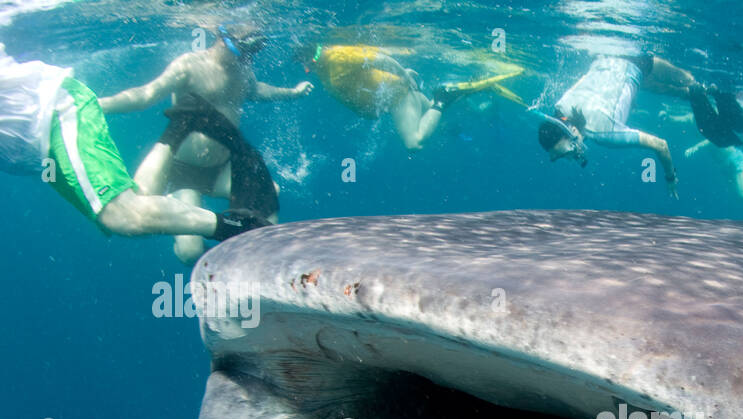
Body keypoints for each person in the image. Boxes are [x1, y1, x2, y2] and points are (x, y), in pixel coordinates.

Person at [0, 43, 264, 241]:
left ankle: (244, 227)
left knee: (126, 216)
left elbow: (144, 96)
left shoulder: (204, 67)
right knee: (140, 213)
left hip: (54, 115)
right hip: (38, 149)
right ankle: (176, 135)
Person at [98, 22, 312, 261]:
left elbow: (257, 90)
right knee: (190, 253)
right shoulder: (189, 65)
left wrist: (291, 93)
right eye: (244, 49)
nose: (247, 58)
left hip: (222, 169)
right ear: (223, 39)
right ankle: (173, 204)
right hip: (184, 174)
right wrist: (96, 106)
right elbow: (145, 95)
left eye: (254, 52)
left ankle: (254, 263)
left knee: (269, 193)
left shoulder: (243, 71)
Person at [538, 54, 705, 197]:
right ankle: (693, 93)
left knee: (689, 79)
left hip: (637, 64)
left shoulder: (604, 134)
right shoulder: (560, 109)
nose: (572, 156)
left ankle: (706, 88)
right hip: (603, 61)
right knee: (673, 90)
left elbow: (661, 145)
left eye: (570, 150)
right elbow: (584, 82)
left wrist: (670, 177)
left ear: (572, 130)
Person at [303, 44, 523, 150]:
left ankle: (443, 97)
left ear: (311, 57)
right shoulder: (324, 68)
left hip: (398, 97)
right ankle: (484, 97)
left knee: (413, 143)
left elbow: (379, 58)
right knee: (443, 123)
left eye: (305, 65)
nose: (305, 70)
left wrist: (401, 74)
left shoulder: (337, 56)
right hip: (397, 96)